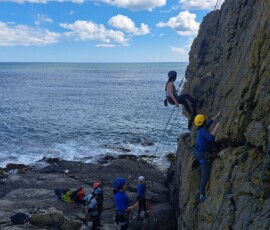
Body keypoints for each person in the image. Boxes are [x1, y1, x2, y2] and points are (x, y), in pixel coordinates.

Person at [193, 111, 220, 202]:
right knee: (205, 175)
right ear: (203, 122)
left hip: (199, 152)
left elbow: (208, 123)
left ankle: (202, 192)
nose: (206, 120)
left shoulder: (200, 129)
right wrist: (217, 126)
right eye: (205, 120)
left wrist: (216, 116)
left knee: (204, 172)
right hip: (202, 155)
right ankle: (202, 195)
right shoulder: (202, 131)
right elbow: (211, 138)